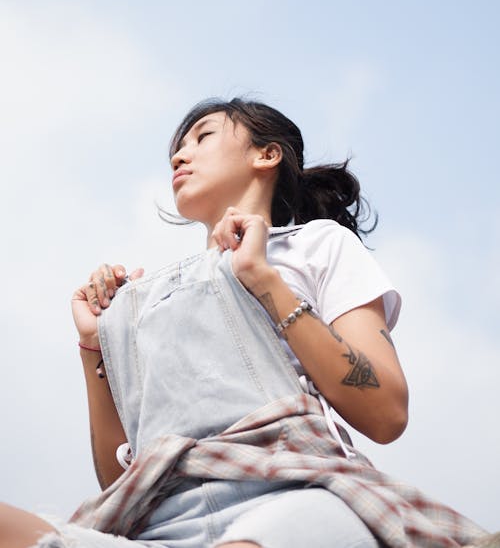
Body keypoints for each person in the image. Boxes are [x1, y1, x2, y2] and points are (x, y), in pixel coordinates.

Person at [1, 97, 497, 548]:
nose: (179, 155)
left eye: (203, 137)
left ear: (267, 155)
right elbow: (120, 481)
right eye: (176, 148)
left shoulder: (316, 245)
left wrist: (263, 279)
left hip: (296, 500)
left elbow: (385, 411)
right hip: (163, 526)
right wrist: (94, 346)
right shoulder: (141, 303)